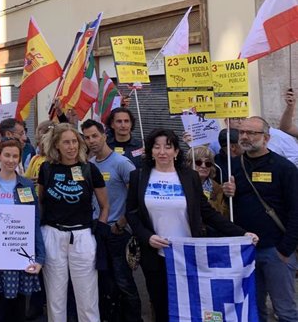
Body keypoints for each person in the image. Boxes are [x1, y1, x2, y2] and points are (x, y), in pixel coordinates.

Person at [126, 128, 255, 322]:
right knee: (161, 306)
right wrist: (147, 237)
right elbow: (132, 213)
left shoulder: (189, 177)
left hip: (188, 255)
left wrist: (242, 233)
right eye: (157, 147)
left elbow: (207, 213)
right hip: (155, 255)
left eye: (168, 147)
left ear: (176, 152)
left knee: (192, 305)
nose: (162, 152)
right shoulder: (139, 176)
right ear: (150, 151)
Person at [223, 116, 298, 322]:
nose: (245, 137)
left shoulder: (284, 168)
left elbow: (296, 210)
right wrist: (228, 193)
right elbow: (227, 207)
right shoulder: (233, 166)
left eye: (251, 133)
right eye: (242, 132)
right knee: (254, 310)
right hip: (246, 250)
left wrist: (285, 249)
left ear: (266, 138)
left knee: (285, 311)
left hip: (276, 251)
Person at [37, 123, 109, 322]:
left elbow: (105, 205)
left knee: (87, 297)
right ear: (56, 145)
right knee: (55, 297)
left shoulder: (89, 169)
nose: (72, 147)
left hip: (82, 236)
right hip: (52, 234)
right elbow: (41, 202)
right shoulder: (47, 168)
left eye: (75, 142)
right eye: (66, 142)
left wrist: (101, 227)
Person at [0, 138, 44, 322]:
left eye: (15, 156)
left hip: (17, 253)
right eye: (7, 155)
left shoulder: (26, 185)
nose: (11, 160)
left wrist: (40, 257)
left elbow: (33, 221)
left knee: (16, 304)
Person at [82, 119, 141, 322]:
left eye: (95, 136)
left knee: (124, 282)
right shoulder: (88, 165)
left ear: (104, 136)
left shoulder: (121, 163)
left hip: (118, 232)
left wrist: (122, 224)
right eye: (87, 137)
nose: (91, 141)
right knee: (105, 283)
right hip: (98, 231)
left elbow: (136, 197)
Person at [186, 145, 226, 217]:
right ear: (190, 164)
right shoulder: (181, 184)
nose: (204, 166)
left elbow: (221, 213)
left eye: (208, 163)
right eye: (198, 162)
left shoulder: (218, 189)